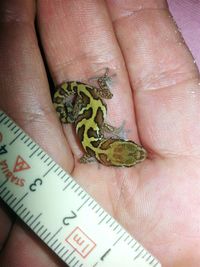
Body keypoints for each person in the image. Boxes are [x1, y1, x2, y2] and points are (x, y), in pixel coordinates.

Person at [0, 1, 200, 266]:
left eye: (131, 155)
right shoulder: (91, 150)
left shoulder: (94, 144)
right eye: (132, 153)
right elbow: (88, 153)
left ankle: (82, 95)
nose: (138, 153)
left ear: (113, 155)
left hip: (88, 99)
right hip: (85, 99)